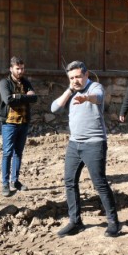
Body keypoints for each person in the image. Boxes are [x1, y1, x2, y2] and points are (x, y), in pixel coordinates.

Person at [51, 61, 121, 238]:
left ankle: (113, 222)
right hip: (75, 144)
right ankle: (75, 222)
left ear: (86, 75)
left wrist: (86, 98)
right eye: (72, 78)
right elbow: (54, 108)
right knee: (69, 181)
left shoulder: (95, 86)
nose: (75, 80)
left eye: (78, 77)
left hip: (94, 142)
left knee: (99, 183)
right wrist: (69, 90)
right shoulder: (72, 90)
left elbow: (98, 97)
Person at [0, 56, 38, 197]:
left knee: (18, 153)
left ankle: (15, 181)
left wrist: (17, 96)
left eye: (22, 68)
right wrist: (24, 96)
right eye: (17, 68)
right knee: (7, 153)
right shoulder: (4, 83)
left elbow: (34, 98)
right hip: (9, 123)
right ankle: (5, 184)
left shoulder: (26, 82)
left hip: (23, 122)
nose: (20, 71)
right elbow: (8, 100)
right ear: (11, 69)